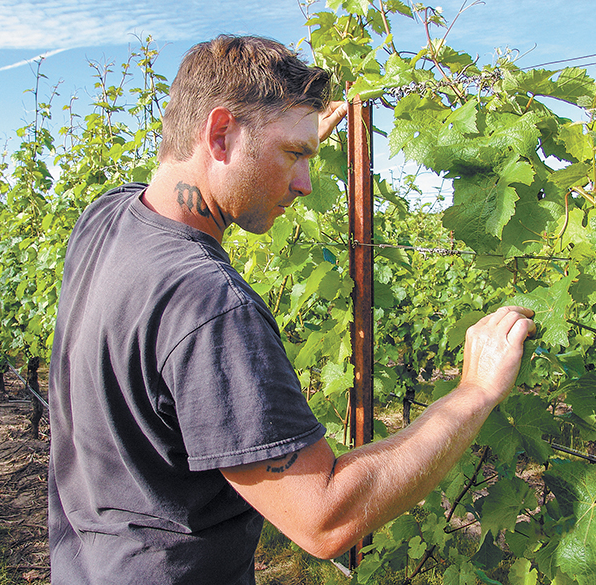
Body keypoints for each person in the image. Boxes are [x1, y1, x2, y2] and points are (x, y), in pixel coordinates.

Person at [47, 34, 535, 584]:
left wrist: (283, 148)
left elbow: (200, 206)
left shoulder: (108, 217)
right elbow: (325, 518)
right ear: (219, 133)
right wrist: (474, 391)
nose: (305, 184)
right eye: (295, 156)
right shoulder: (211, 308)